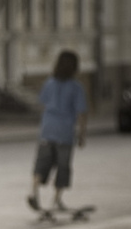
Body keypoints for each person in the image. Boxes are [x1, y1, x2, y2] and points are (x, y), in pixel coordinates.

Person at [27, 50, 88, 211]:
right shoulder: (76, 87)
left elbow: (42, 102)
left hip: (47, 129)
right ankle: (55, 201)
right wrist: (82, 135)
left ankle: (34, 193)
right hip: (65, 132)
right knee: (63, 167)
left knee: (41, 164)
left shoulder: (49, 83)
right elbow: (82, 112)